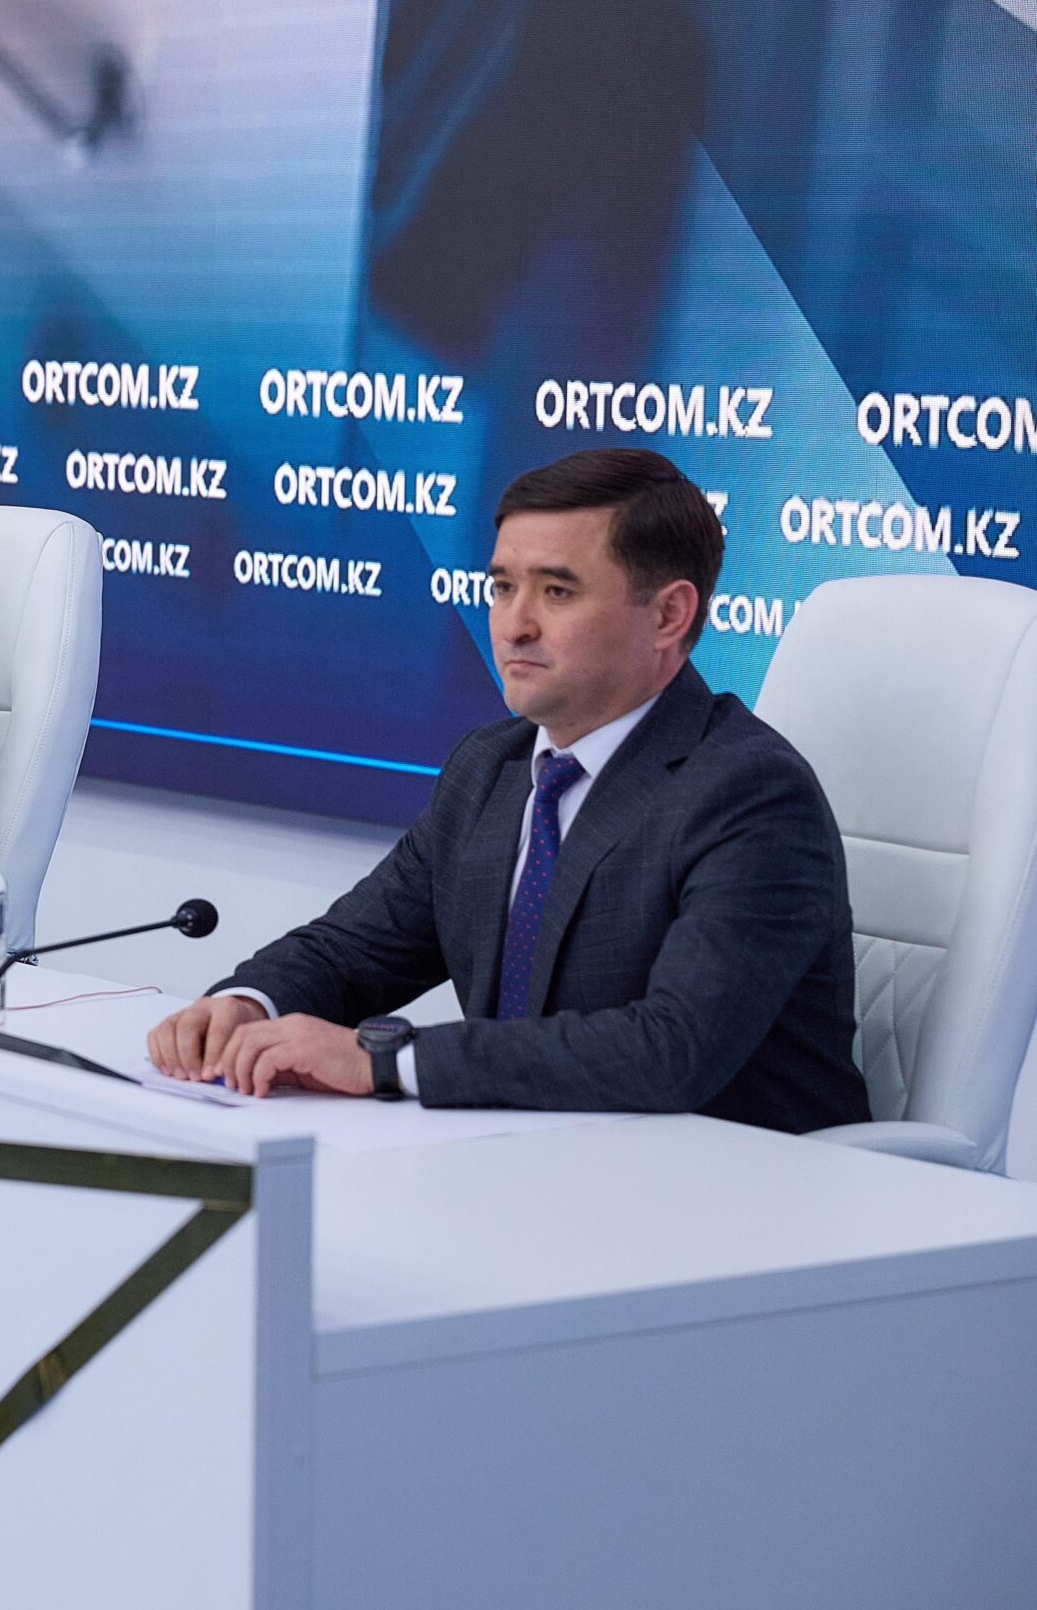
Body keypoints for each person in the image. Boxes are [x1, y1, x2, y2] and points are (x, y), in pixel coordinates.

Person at [147, 447, 866, 1135]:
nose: (514, 625)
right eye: (501, 587)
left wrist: (384, 1061)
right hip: (526, 1161)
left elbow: (671, 1049)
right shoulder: (490, 769)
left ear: (668, 615)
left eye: (557, 591)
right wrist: (249, 1003)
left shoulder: (748, 793)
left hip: (736, 1187)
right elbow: (353, 950)